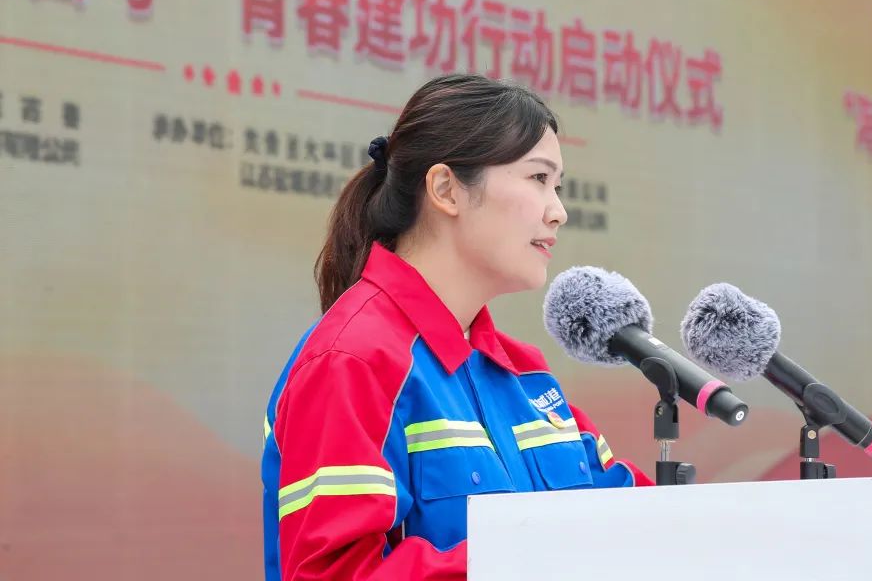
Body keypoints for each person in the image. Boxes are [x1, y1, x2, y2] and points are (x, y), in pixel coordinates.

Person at [260, 74, 652, 581]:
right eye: (538, 179)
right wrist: (536, 558)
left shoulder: (526, 375)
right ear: (446, 189)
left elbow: (625, 518)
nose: (558, 212)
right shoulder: (352, 360)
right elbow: (333, 573)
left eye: (557, 187)